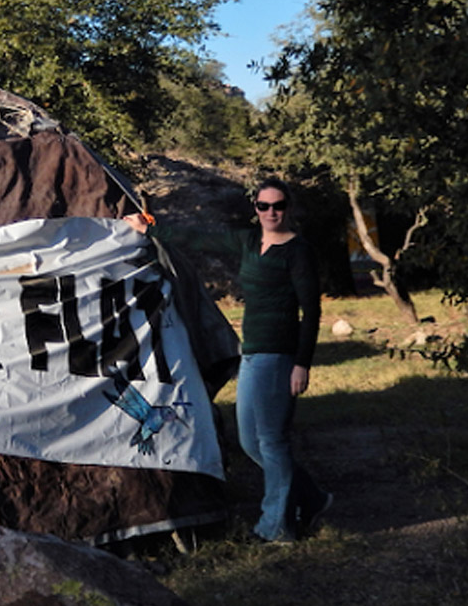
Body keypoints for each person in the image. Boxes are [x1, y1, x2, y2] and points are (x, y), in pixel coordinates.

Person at [124, 177, 331, 542]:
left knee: (271, 440)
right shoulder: (251, 241)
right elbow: (199, 239)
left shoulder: (298, 252)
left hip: (280, 354)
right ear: (255, 209)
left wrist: (302, 363)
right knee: (251, 441)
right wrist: (152, 228)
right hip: (251, 353)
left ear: (289, 208)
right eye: (263, 206)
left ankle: (275, 527)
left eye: (278, 205)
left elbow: (311, 312)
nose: (271, 213)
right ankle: (312, 499)